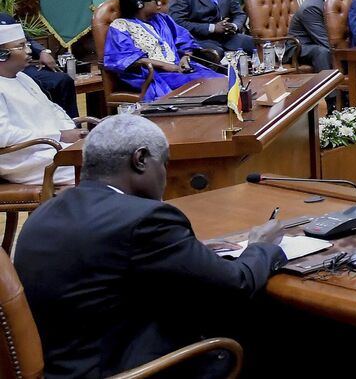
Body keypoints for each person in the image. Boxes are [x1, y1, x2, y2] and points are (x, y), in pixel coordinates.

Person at [16, 115, 285, 379]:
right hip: (123, 369)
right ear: (141, 159)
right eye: (165, 163)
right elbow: (236, 285)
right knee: (267, 323)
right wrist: (260, 245)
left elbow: (106, 264)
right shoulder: (145, 219)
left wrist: (191, 252)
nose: (165, 176)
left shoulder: (45, 212)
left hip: (63, 365)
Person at [103, 0, 226, 102]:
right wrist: (164, 66)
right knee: (202, 83)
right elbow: (124, 58)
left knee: (220, 79)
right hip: (151, 74)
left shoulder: (162, 18)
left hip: (178, 67)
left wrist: (185, 57)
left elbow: (183, 39)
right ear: (139, 4)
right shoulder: (121, 26)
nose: (159, 3)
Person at [0, 24, 84, 186]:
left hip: (52, 147)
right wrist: (58, 135)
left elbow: (53, 110)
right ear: (2, 54)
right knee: (105, 167)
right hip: (24, 159)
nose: (29, 51)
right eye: (21, 46)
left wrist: (74, 133)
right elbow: (3, 135)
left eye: (27, 45)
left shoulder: (23, 78)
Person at [0, 9, 77, 117]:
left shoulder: (4, 18)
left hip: (19, 66)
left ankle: (73, 124)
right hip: (5, 69)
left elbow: (23, 40)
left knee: (62, 80)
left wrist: (42, 51)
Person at [290, 0, 348, 72]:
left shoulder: (335, 0)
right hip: (300, 46)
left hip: (318, 40)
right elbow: (324, 41)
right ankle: (330, 84)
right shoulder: (311, 8)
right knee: (322, 52)